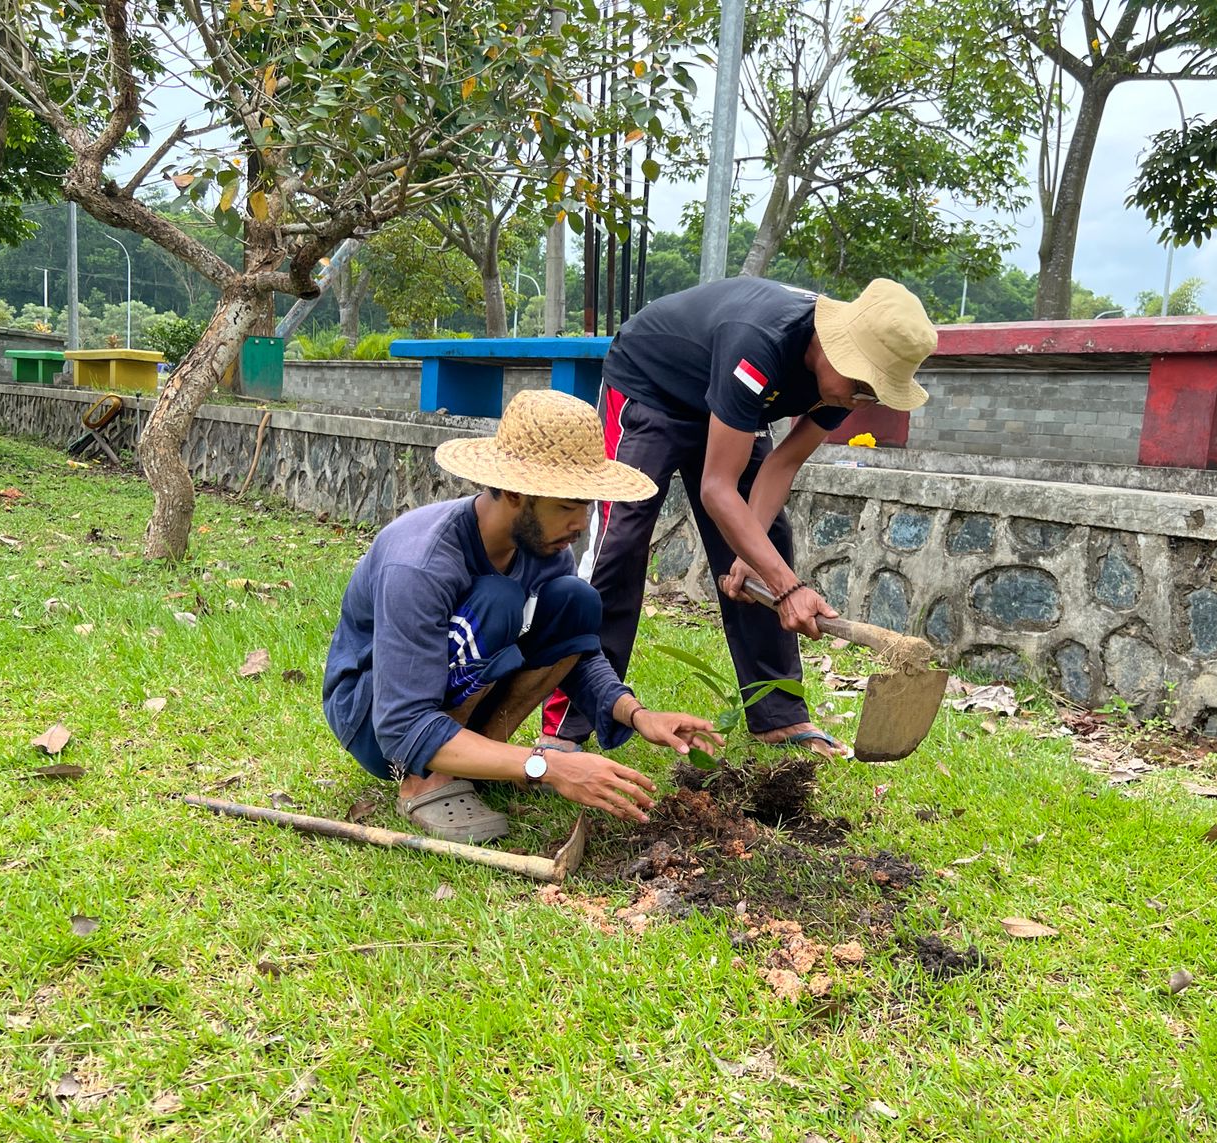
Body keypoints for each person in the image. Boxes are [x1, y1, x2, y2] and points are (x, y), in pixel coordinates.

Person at [542, 276, 937, 758]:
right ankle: (566, 725)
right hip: (652, 387)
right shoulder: (762, 342)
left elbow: (782, 463)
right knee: (619, 544)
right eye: (860, 385)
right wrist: (789, 588)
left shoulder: (843, 387)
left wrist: (758, 561)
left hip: (732, 408)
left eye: (871, 393)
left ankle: (779, 715)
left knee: (766, 537)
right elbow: (716, 488)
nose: (860, 400)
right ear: (836, 346)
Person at [322, 389, 723, 844]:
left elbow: (574, 649)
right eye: (568, 506)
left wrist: (636, 714)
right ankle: (425, 777)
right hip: (377, 719)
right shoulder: (421, 563)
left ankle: (479, 761)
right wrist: (548, 766)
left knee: (576, 601)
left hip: (434, 706)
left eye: (586, 506)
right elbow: (400, 723)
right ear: (515, 492)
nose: (581, 524)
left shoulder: (544, 547)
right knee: (498, 601)